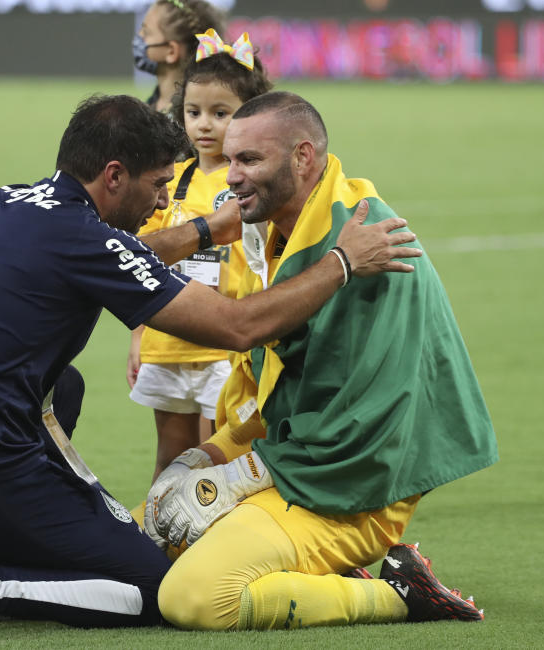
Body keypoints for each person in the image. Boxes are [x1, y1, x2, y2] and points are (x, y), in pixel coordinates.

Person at [0, 94, 421, 640]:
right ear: (114, 176)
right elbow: (239, 327)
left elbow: (120, 253)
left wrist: (206, 229)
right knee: (153, 589)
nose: (163, 200)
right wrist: (343, 262)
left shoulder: (14, 201)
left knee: (64, 386)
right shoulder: (84, 241)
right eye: (158, 184)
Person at [144, 91, 500, 630]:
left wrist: (245, 473)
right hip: (300, 466)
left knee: (193, 598)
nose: (231, 176)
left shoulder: (366, 242)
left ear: (303, 157)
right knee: (154, 553)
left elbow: (365, 419)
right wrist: (207, 456)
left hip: (348, 491)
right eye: (230, 160)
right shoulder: (283, 230)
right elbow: (280, 388)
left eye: (249, 160)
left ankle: (401, 595)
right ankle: (331, 576)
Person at [128, 29, 272, 481]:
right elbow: (137, 258)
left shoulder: (253, 182)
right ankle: (155, 544)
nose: (204, 125)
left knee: (215, 461)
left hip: (224, 350)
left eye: (220, 113)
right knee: (169, 460)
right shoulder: (167, 177)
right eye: (193, 112)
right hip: (167, 343)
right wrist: (137, 337)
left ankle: (212, 547)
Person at [134, 0, 226, 113]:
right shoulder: (150, 107)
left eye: (146, 32)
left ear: (171, 52)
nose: (139, 36)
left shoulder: (191, 123)